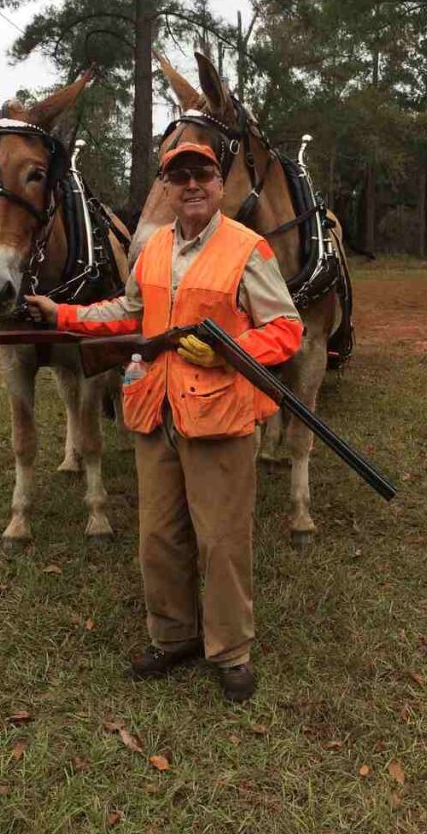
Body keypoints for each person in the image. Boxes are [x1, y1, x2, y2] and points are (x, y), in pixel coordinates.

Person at [25, 141, 303, 702]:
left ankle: (229, 651)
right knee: (158, 536)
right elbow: (129, 312)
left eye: (202, 174)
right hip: (156, 408)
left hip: (220, 413)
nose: (192, 185)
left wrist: (230, 351)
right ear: (167, 190)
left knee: (222, 541)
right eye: (180, 178)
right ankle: (173, 636)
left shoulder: (247, 248)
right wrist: (65, 315)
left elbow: (285, 329)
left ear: (218, 186)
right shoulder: (150, 250)